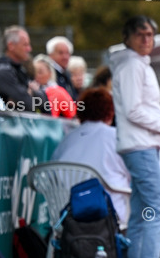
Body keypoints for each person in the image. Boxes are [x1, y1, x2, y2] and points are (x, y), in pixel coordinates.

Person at [110, 16, 160, 258]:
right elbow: (134, 110)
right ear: (127, 38)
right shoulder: (131, 64)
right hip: (140, 145)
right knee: (158, 210)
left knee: (140, 212)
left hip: (140, 144)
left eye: (150, 34)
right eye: (141, 34)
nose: (146, 39)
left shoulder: (135, 63)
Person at [51, 88, 132, 226]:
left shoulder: (67, 139)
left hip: (67, 213)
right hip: (111, 213)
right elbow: (135, 172)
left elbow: (52, 174)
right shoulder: (116, 137)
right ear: (111, 113)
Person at [0, 25, 47, 113]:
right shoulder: (4, 71)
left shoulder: (21, 70)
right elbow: (28, 104)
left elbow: (45, 103)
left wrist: (33, 92)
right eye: (25, 44)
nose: (29, 49)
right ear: (11, 45)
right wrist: (30, 93)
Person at [46, 36, 78, 100]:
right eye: (60, 53)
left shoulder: (67, 74)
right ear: (50, 55)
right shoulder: (48, 73)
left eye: (67, 53)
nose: (65, 57)